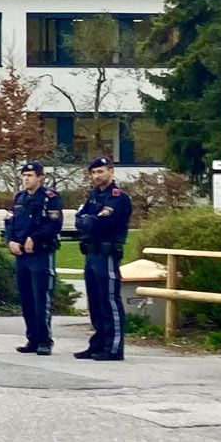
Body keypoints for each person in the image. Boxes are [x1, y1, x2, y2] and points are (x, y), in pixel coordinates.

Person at [72, 155, 132, 362]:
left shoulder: (117, 197)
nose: (97, 176)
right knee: (95, 301)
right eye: (94, 172)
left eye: (101, 171)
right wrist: (89, 220)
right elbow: (80, 220)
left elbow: (103, 222)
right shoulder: (93, 196)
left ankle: (114, 347)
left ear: (111, 171)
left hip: (107, 253)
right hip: (91, 252)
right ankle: (98, 343)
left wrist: (91, 220)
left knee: (109, 300)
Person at [3, 160, 65, 355]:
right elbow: (10, 221)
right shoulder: (19, 198)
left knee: (41, 297)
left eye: (30, 176)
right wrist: (10, 240)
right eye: (24, 176)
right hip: (22, 255)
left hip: (40, 253)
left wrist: (34, 238)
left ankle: (44, 340)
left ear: (40, 177)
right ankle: (32, 338)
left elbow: (53, 224)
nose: (26, 179)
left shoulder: (49, 198)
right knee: (27, 298)